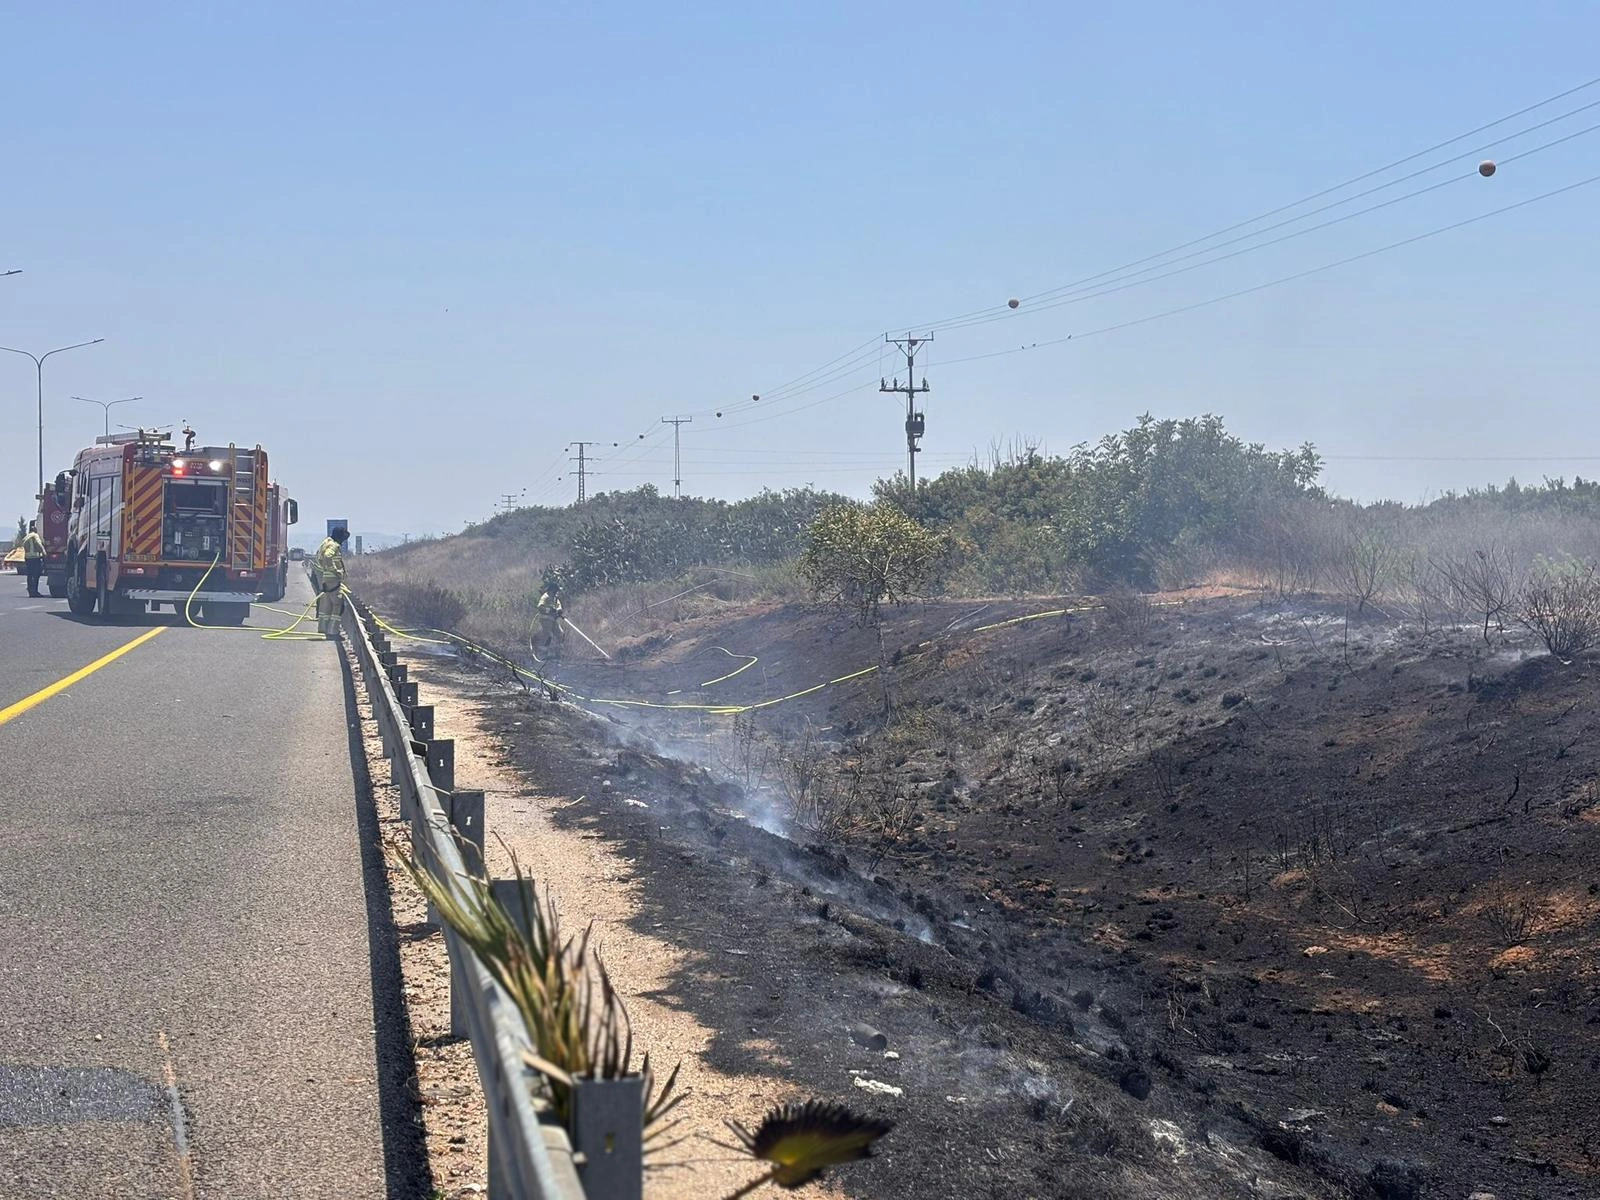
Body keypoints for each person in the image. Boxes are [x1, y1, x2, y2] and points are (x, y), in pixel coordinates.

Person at [314, 527, 349, 638]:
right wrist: (335, 571)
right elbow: (327, 556)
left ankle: (324, 628)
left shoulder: (326, 543)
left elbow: (321, 558)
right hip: (333, 580)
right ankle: (333, 632)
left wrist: (326, 570)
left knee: (327, 605)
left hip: (326, 578)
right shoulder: (333, 545)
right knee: (338, 605)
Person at [532, 577, 565, 658]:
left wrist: (559, 610)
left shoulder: (555, 598)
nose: (556, 592)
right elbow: (540, 607)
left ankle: (558, 653)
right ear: (551, 590)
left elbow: (558, 606)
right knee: (548, 635)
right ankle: (543, 653)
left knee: (560, 633)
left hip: (553, 619)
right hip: (545, 619)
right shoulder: (545, 597)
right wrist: (549, 610)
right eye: (555, 591)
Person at [21, 522, 46, 598]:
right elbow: (39, 544)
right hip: (35, 558)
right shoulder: (35, 536)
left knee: (30, 575)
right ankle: (35, 591)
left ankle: (30, 590)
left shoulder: (26, 537)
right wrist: (44, 552)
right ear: (35, 530)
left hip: (27, 558)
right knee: (36, 575)